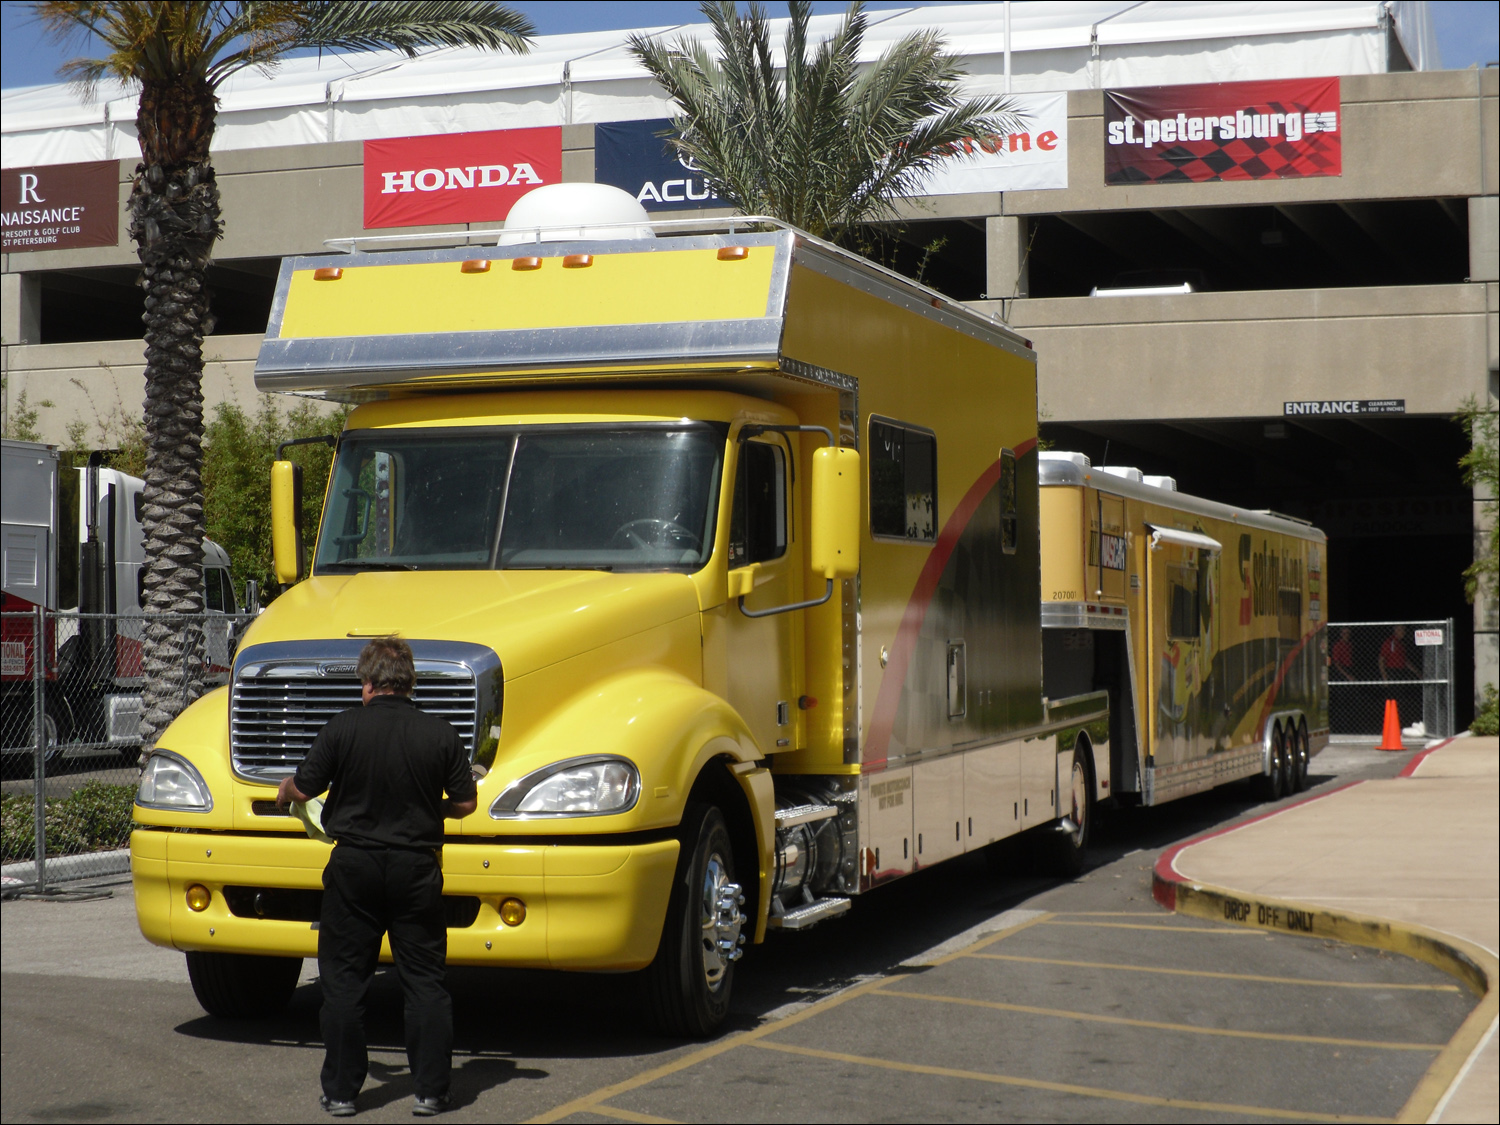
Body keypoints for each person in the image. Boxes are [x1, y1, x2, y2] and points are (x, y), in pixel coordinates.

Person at [278, 637, 478, 1118]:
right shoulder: (440, 733)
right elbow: (467, 805)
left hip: (355, 867)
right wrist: (434, 810)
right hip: (416, 867)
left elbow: (305, 787)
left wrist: (285, 791)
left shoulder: (342, 728)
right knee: (424, 981)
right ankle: (430, 1091)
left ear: (367, 683)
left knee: (345, 983)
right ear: (409, 682)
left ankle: (343, 1093)